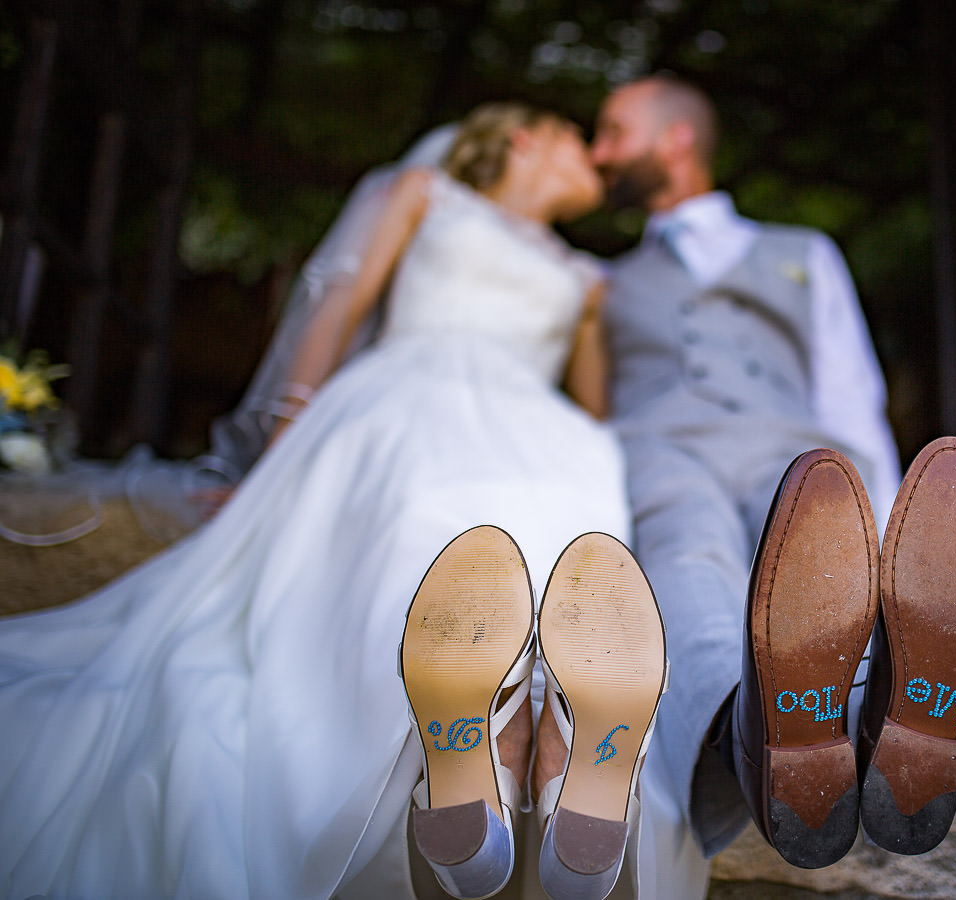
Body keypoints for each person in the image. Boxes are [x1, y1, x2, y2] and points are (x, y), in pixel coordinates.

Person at [0, 102, 644, 900]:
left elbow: (597, 410)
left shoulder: (588, 280)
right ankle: (483, 744)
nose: (598, 161)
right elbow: (339, 304)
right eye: (580, 141)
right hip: (408, 393)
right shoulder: (425, 193)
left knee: (579, 510)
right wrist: (289, 435)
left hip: (541, 428)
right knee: (432, 516)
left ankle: (535, 751)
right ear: (526, 137)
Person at [589, 74, 956, 880]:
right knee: (687, 556)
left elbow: (849, 390)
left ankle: (847, 722)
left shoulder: (802, 252)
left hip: (796, 447)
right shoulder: (601, 283)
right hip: (661, 447)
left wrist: (900, 560)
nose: (598, 152)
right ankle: (801, 726)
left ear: (675, 138)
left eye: (613, 131)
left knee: (826, 563)